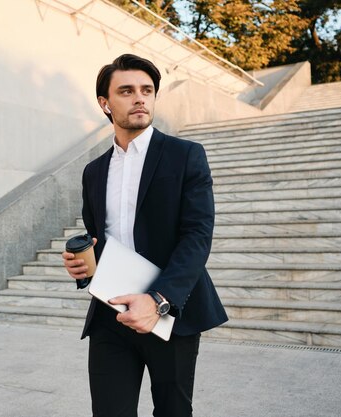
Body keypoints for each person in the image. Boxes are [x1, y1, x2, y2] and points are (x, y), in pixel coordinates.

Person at [61, 53, 228, 417]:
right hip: (111, 313)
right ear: (105, 103)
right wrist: (83, 266)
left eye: (147, 90)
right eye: (126, 91)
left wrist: (157, 300)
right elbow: (98, 237)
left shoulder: (186, 155)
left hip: (169, 311)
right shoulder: (93, 171)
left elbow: (198, 235)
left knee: (172, 411)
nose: (139, 97)